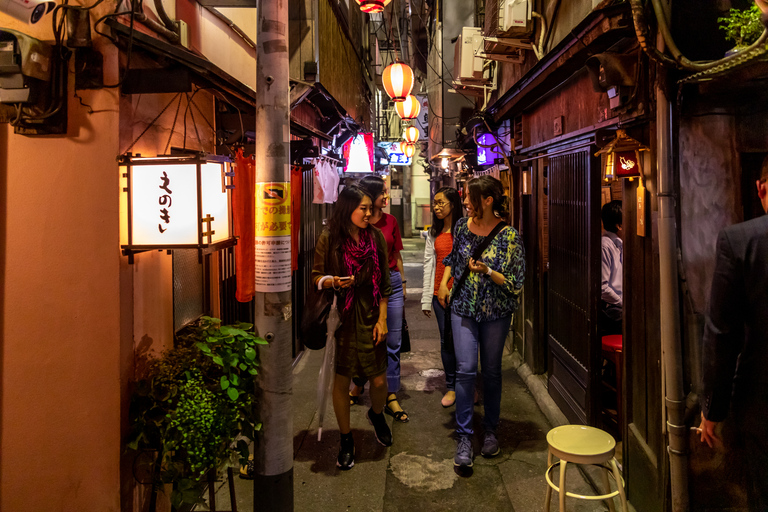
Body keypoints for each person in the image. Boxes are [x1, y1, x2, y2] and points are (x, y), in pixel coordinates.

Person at [438, 175, 525, 469]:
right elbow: (453, 258)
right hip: (462, 307)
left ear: (487, 201)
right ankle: (464, 437)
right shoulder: (462, 226)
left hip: (495, 313)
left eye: (470, 198)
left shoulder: (509, 235)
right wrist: (444, 283)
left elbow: (515, 283)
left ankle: (490, 431)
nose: (465, 202)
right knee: (464, 371)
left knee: (490, 372)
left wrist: (488, 270)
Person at [699, 157, 768, 508]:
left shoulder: (742, 241)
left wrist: (713, 408)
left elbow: (721, 333)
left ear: (761, 189)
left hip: (761, 399)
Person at [311, 185, 393, 470]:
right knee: (342, 381)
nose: (369, 213)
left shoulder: (376, 238)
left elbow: (384, 283)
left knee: (380, 380)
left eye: (371, 208)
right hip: (343, 321)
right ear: (348, 209)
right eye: (363, 208)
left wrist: (383, 318)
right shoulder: (329, 238)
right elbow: (316, 278)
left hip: (371, 315)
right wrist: (333, 282)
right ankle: (346, 439)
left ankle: (377, 413)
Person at [349, 175, 410, 422]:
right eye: (383, 193)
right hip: (364, 288)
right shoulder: (357, 221)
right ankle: (359, 383)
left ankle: (391, 395)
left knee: (392, 341)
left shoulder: (391, 220)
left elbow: (396, 254)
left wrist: (403, 283)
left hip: (392, 284)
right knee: (365, 339)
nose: (387, 197)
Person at [421, 187, 464, 407]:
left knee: (465, 343)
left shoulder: (465, 230)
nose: (436, 207)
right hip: (440, 295)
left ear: (453, 205)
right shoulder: (433, 233)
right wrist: (426, 298)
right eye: (435, 203)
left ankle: (466, 386)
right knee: (446, 342)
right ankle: (451, 386)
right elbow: (429, 265)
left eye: (441, 203)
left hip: (463, 295)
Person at [599, 200, 623, 336]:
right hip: (612, 308)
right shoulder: (605, 246)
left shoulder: (619, 243)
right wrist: (622, 303)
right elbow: (603, 288)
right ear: (619, 225)